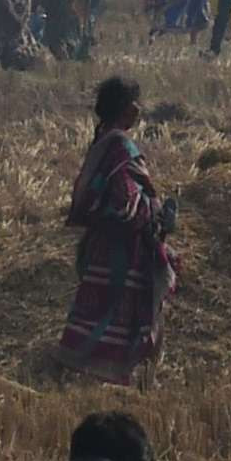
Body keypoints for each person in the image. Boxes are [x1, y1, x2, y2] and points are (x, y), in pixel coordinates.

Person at [57, 77, 181, 382]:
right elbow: (125, 203)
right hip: (123, 247)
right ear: (124, 108)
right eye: (134, 102)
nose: (139, 109)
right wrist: (155, 214)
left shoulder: (103, 141)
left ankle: (84, 365)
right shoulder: (120, 145)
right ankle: (118, 371)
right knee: (124, 310)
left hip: (103, 242)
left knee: (96, 309)